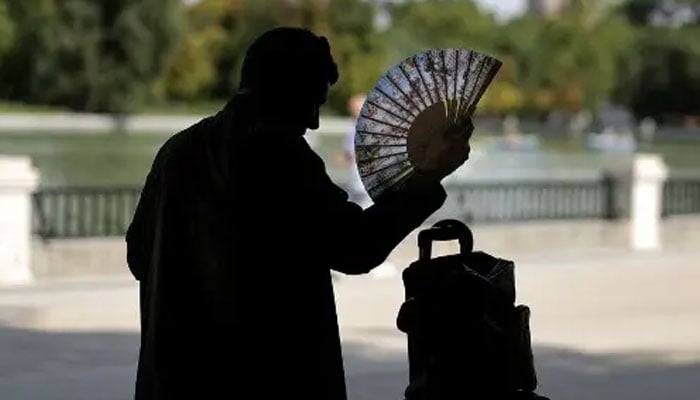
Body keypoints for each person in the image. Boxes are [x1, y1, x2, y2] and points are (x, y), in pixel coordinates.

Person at [125, 27, 472, 400]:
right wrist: (426, 176)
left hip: (175, 378)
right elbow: (356, 247)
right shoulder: (279, 155)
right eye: (313, 102)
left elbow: (139, 258)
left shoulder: (176, 151)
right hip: (268, 377)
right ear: (283, 89)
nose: (315, 122)